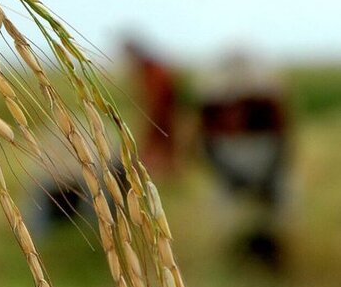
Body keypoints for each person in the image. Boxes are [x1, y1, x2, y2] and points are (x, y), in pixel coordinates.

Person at [197, 51, 291, 272]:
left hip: (263, 162)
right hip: (232, 165)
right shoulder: (214, 111)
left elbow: (281, 140)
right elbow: (207, 144)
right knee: (231, 217)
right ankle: (237, 256)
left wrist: (265, 173)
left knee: (272, 217)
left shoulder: (265, 105)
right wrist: (230, 172)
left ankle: (271, 256)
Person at [123, 36, 178, 175]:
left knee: (159, 146)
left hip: (162, 115)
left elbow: (158, 99)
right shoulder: (148, 69)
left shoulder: (153, 71)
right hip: (161, 115)